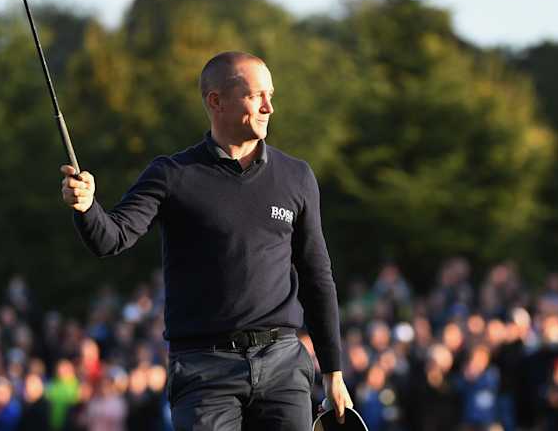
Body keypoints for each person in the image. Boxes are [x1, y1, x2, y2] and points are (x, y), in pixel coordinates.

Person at [60, 51, 352, 430]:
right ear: (216, 101)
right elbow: (110, 238)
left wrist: (333, 371)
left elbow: (317, 275)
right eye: (255, 96)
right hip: (203, 369)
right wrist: (86, 207)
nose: (269, 107)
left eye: (270, 95)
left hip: (283, 364)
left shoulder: (297, 176)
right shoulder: (171, 174)